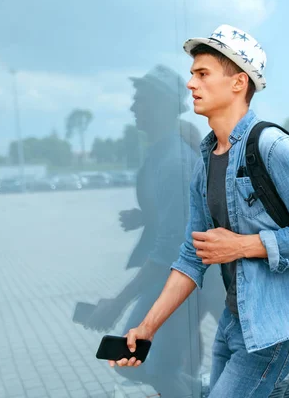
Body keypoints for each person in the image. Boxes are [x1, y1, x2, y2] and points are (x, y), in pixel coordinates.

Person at [108, 24, 289, 398]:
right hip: (234, 324)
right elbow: (192, 255)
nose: (191, 84)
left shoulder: (274, 147)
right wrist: (147, 326)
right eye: (192, 74)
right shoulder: (206, 161)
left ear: (238, 83)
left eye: (202, 74)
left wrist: (243, 246)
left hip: (273, 331)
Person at [84, 64, 201, 395]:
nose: (133, 106)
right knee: (155, 364)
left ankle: (205, 390)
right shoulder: (160, 153)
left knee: (133, 360)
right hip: (172, 280)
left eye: (142, 99)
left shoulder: (173, 161)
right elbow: (176, 215)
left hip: (177, 281)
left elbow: (170, 248)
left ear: (164, 105)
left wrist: (117, 303)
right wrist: (146, 216)